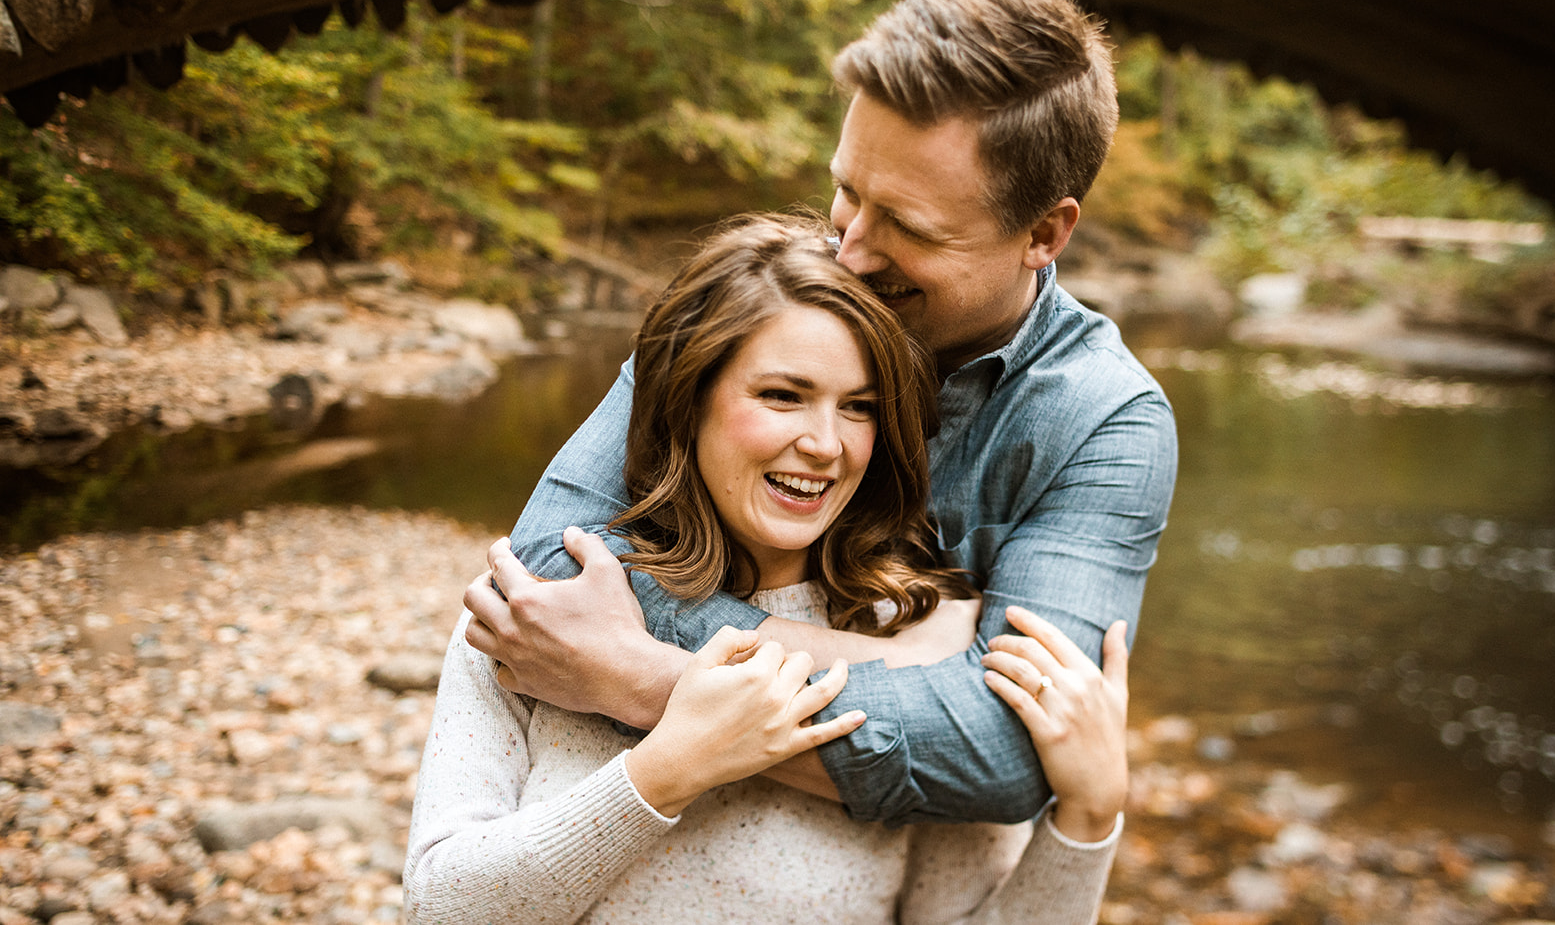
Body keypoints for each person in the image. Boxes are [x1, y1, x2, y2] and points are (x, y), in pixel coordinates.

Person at [464, 0, 1179, 827]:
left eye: (908, 226)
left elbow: (1006, 752)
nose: (849, 249)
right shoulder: (767, 292)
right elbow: (548, 568)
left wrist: (642, 677)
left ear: (1043, 234)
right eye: (848, 191)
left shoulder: (1106, 421)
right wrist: (912, 659)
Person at [406, 216, 1130, 923]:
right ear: (691, 401)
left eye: (859, 407)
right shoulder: (553, 614)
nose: (824, 444)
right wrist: (668, 769)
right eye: (782, 395)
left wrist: (1089, 818)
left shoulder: (924, 646)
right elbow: (439, 909)